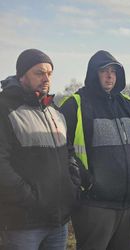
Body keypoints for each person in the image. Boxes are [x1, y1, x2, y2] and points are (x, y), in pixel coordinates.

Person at [60, 50, 130, 250]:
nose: (109, 75)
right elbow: (61, 149)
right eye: (103, 70)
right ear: (93, 74)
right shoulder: (75, 105)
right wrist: (86, 181)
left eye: (113, 71)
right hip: (94, 205)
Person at [0, 49, 78, 250]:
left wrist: (73, 183)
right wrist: (31, 199)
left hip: (57, 220)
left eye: (50, 73)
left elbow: (68, 152)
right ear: (22, 75)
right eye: (39, 73)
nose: (46, 78)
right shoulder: (4, 108)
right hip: (23, 223)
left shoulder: (54, 110)